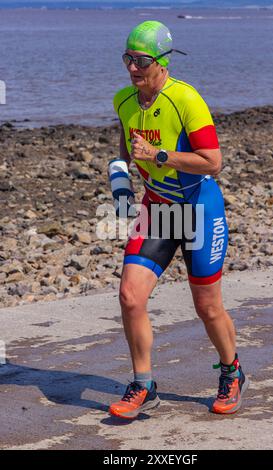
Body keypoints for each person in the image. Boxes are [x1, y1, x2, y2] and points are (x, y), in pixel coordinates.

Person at [109, 20, 249, 420]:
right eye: (127, 58)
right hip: (158, 208)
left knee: (207, 307)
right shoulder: (124, 101)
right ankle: (143, 384)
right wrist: (121, 190)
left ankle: (231, 372)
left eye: (141, 60)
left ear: (162, 61)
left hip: (199, 209)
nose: (133, 67)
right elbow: (122, 154)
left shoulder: (186, 100)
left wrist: (160, 156)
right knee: (130, 296)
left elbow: (213, 162)